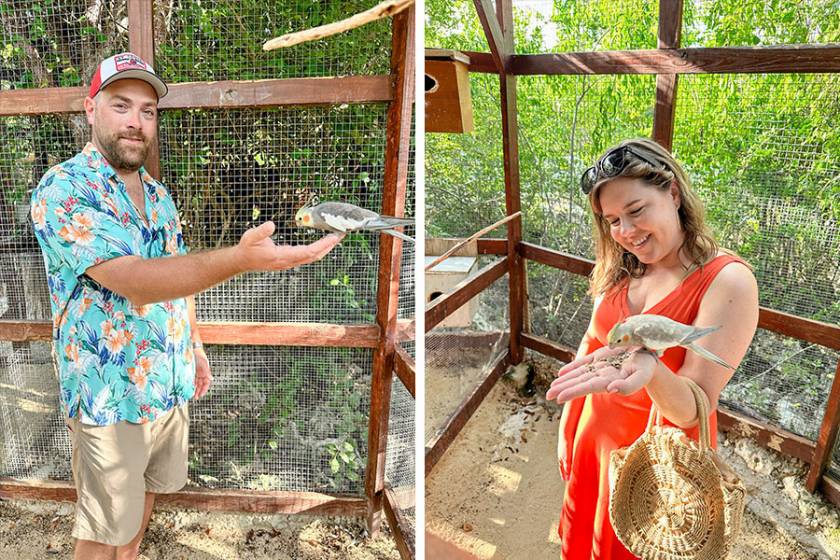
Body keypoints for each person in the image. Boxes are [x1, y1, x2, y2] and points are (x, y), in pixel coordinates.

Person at [30, 52, 343, 560]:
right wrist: (240, 259)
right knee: (103, 528)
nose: (135, 121)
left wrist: (194, 345)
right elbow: (135, 281)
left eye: (148, 111)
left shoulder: (158, 195)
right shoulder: (64, 189)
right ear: (91, 109)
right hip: (108, 395)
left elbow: (178, 277)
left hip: (166, 380)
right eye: (121, 105)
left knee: (148, 494)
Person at [545, 138, 759, 559]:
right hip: (594, 441)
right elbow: (592, 343)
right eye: (612, 220)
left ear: (673, 193)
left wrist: (652, 369)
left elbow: (693, 407)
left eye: (637, 211)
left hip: (655, 467)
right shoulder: (625, 264)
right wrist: (568, 428)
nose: (625, 232)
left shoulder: (727, 281)